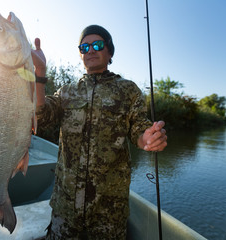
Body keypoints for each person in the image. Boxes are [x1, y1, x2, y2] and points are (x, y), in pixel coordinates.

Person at [31, 25, 167, 240]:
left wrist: (148, 139)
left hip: (109, 212)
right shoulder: (67, 91)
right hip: (65, 208)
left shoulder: (128, 90)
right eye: (84, 47)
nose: (90, 50)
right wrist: (40, 74)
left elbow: (138, 130)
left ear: (109, 51)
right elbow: (41, 115)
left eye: (97, 45)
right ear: (81, 53)